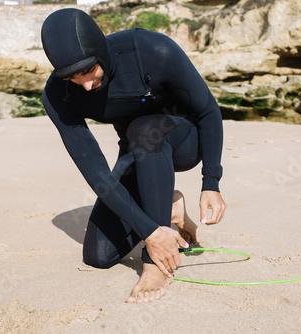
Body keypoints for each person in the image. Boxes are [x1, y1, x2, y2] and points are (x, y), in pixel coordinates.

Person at [41, 8, 226, 303]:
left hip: (185, 141)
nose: (87, 84)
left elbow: (208, 111)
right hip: (139, 151)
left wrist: (211, 182)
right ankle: (170, 203)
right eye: (73, 77)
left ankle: (156, 265)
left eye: (89, 70)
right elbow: (94, 168)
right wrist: (149, 230)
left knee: (143, 130)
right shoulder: (56, 94)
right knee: (98, 255)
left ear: (99, 49)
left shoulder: (151, 49)